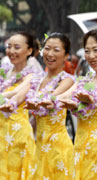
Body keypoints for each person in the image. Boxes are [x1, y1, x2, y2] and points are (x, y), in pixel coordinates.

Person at [58, 29, 97, 179]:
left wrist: (91, 98)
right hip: (81, 148)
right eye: (87, 51)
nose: (91, 56)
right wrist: (46, 101)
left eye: (96, 50)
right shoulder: (83, 81)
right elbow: (65, 95)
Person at [24, 32, 74, 179]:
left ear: (66, 56)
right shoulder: (37, 79)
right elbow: (18, 94)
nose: (50, 54)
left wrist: (44, 102)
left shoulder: (67, 80)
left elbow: (53, 98)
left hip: (57, 147)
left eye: (56, 50)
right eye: (47, 48)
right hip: (38, 145)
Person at [0, 32, 37, 179]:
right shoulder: (4, 73)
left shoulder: (32, 76)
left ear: (29, 50)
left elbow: (16, 92)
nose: (11, 51)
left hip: (17, 134)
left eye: (17, 47)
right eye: (9, 47)